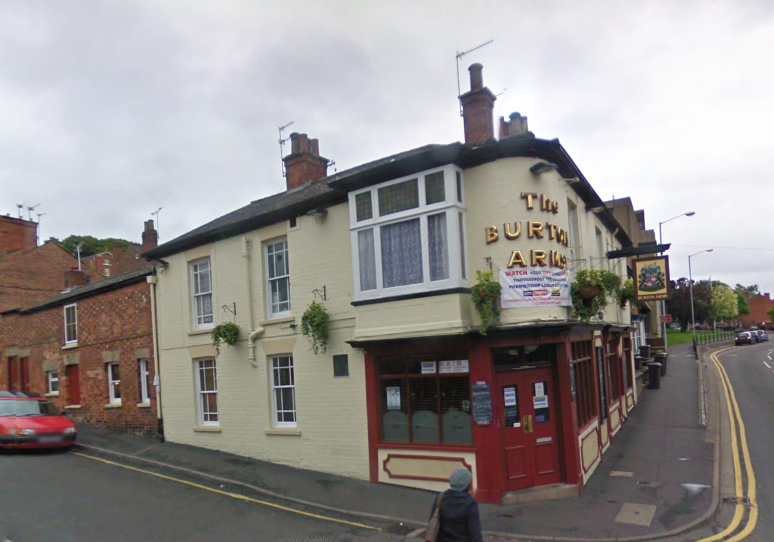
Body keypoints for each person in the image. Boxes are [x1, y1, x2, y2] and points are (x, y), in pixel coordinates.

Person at [428, 467, 484, 542]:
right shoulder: (470, 504)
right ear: (467, 484)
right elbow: (475, 534)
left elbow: (432, 519)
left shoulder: (440, 497)